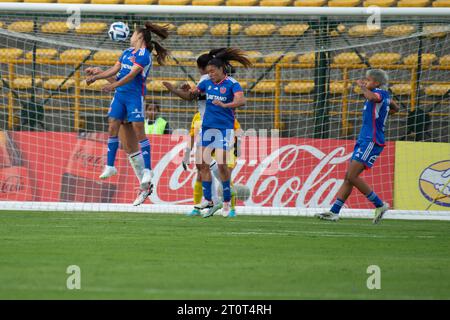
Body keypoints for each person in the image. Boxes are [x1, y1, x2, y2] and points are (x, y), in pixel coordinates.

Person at [85, 22, 169, 193]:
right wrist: (97, 76)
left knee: (139, 130)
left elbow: (131, 76)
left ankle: (147, 170)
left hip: (134, 97)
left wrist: (112, 85)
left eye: (133, 34)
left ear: (139, 37)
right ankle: (110, 165)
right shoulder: (126, 53)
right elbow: (114, 70)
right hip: (120, 96)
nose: (130, 36)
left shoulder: (144, 55)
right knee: (112, 126)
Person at [315, 69, 399, 224]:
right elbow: (396, 107)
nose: (365, 82)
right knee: (349, 177)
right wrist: (384, 114)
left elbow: (374, 97)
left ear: (377, 83)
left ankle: (380, 205)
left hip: (371, 140)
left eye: (368, 80)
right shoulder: (380, 97)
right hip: (364, 140)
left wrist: (363, 87)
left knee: (352, 176)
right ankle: (334, 212)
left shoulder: (379, 93)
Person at [192, 48, 251, 218]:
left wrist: (225, 105)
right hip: (207, 128)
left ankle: (226, 202)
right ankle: (209, 200)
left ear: (221, 69)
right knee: (201, 163)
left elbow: (241, 100)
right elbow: (194, 94)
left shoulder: (232, 84)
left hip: (224, 129)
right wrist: (188, 90)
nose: (210, 74)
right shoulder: (206, 83)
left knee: (221, 165)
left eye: (212, 71)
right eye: (208, 72)